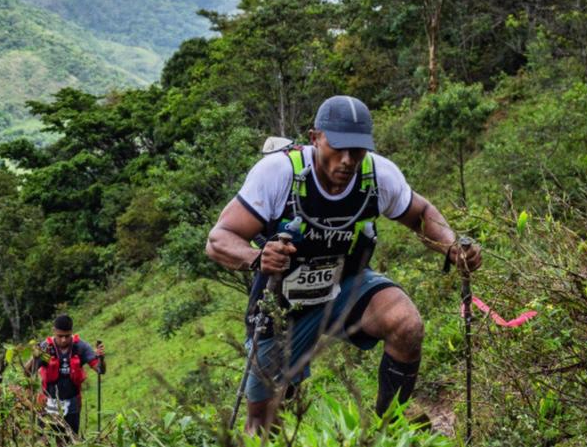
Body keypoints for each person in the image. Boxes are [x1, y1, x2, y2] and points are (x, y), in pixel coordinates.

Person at [205, 95, 482, 432]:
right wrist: (256, 257)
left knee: (406, 324)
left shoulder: (377, 175)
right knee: (263, 422)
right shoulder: (279, 174)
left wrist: (451, 247)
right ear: (315, 138)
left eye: (358, 149)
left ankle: (389, 429)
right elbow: (219, 239)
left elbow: (420, 213)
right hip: (282, 300)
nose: (348, 159)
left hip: (345, 285)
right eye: (338, 147)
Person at [24, 314, 105, 438]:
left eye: (67, 336)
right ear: (54, 331)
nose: (63, 340)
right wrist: (34, 358)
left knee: (70, 439)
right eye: (60, 336)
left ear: (72, 332)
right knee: (45, 439)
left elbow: (100, 370)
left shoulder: (81, 347)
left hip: (72, 403)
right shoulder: (46, 348)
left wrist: (101, 358)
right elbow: (28, 372)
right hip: (48, 403)